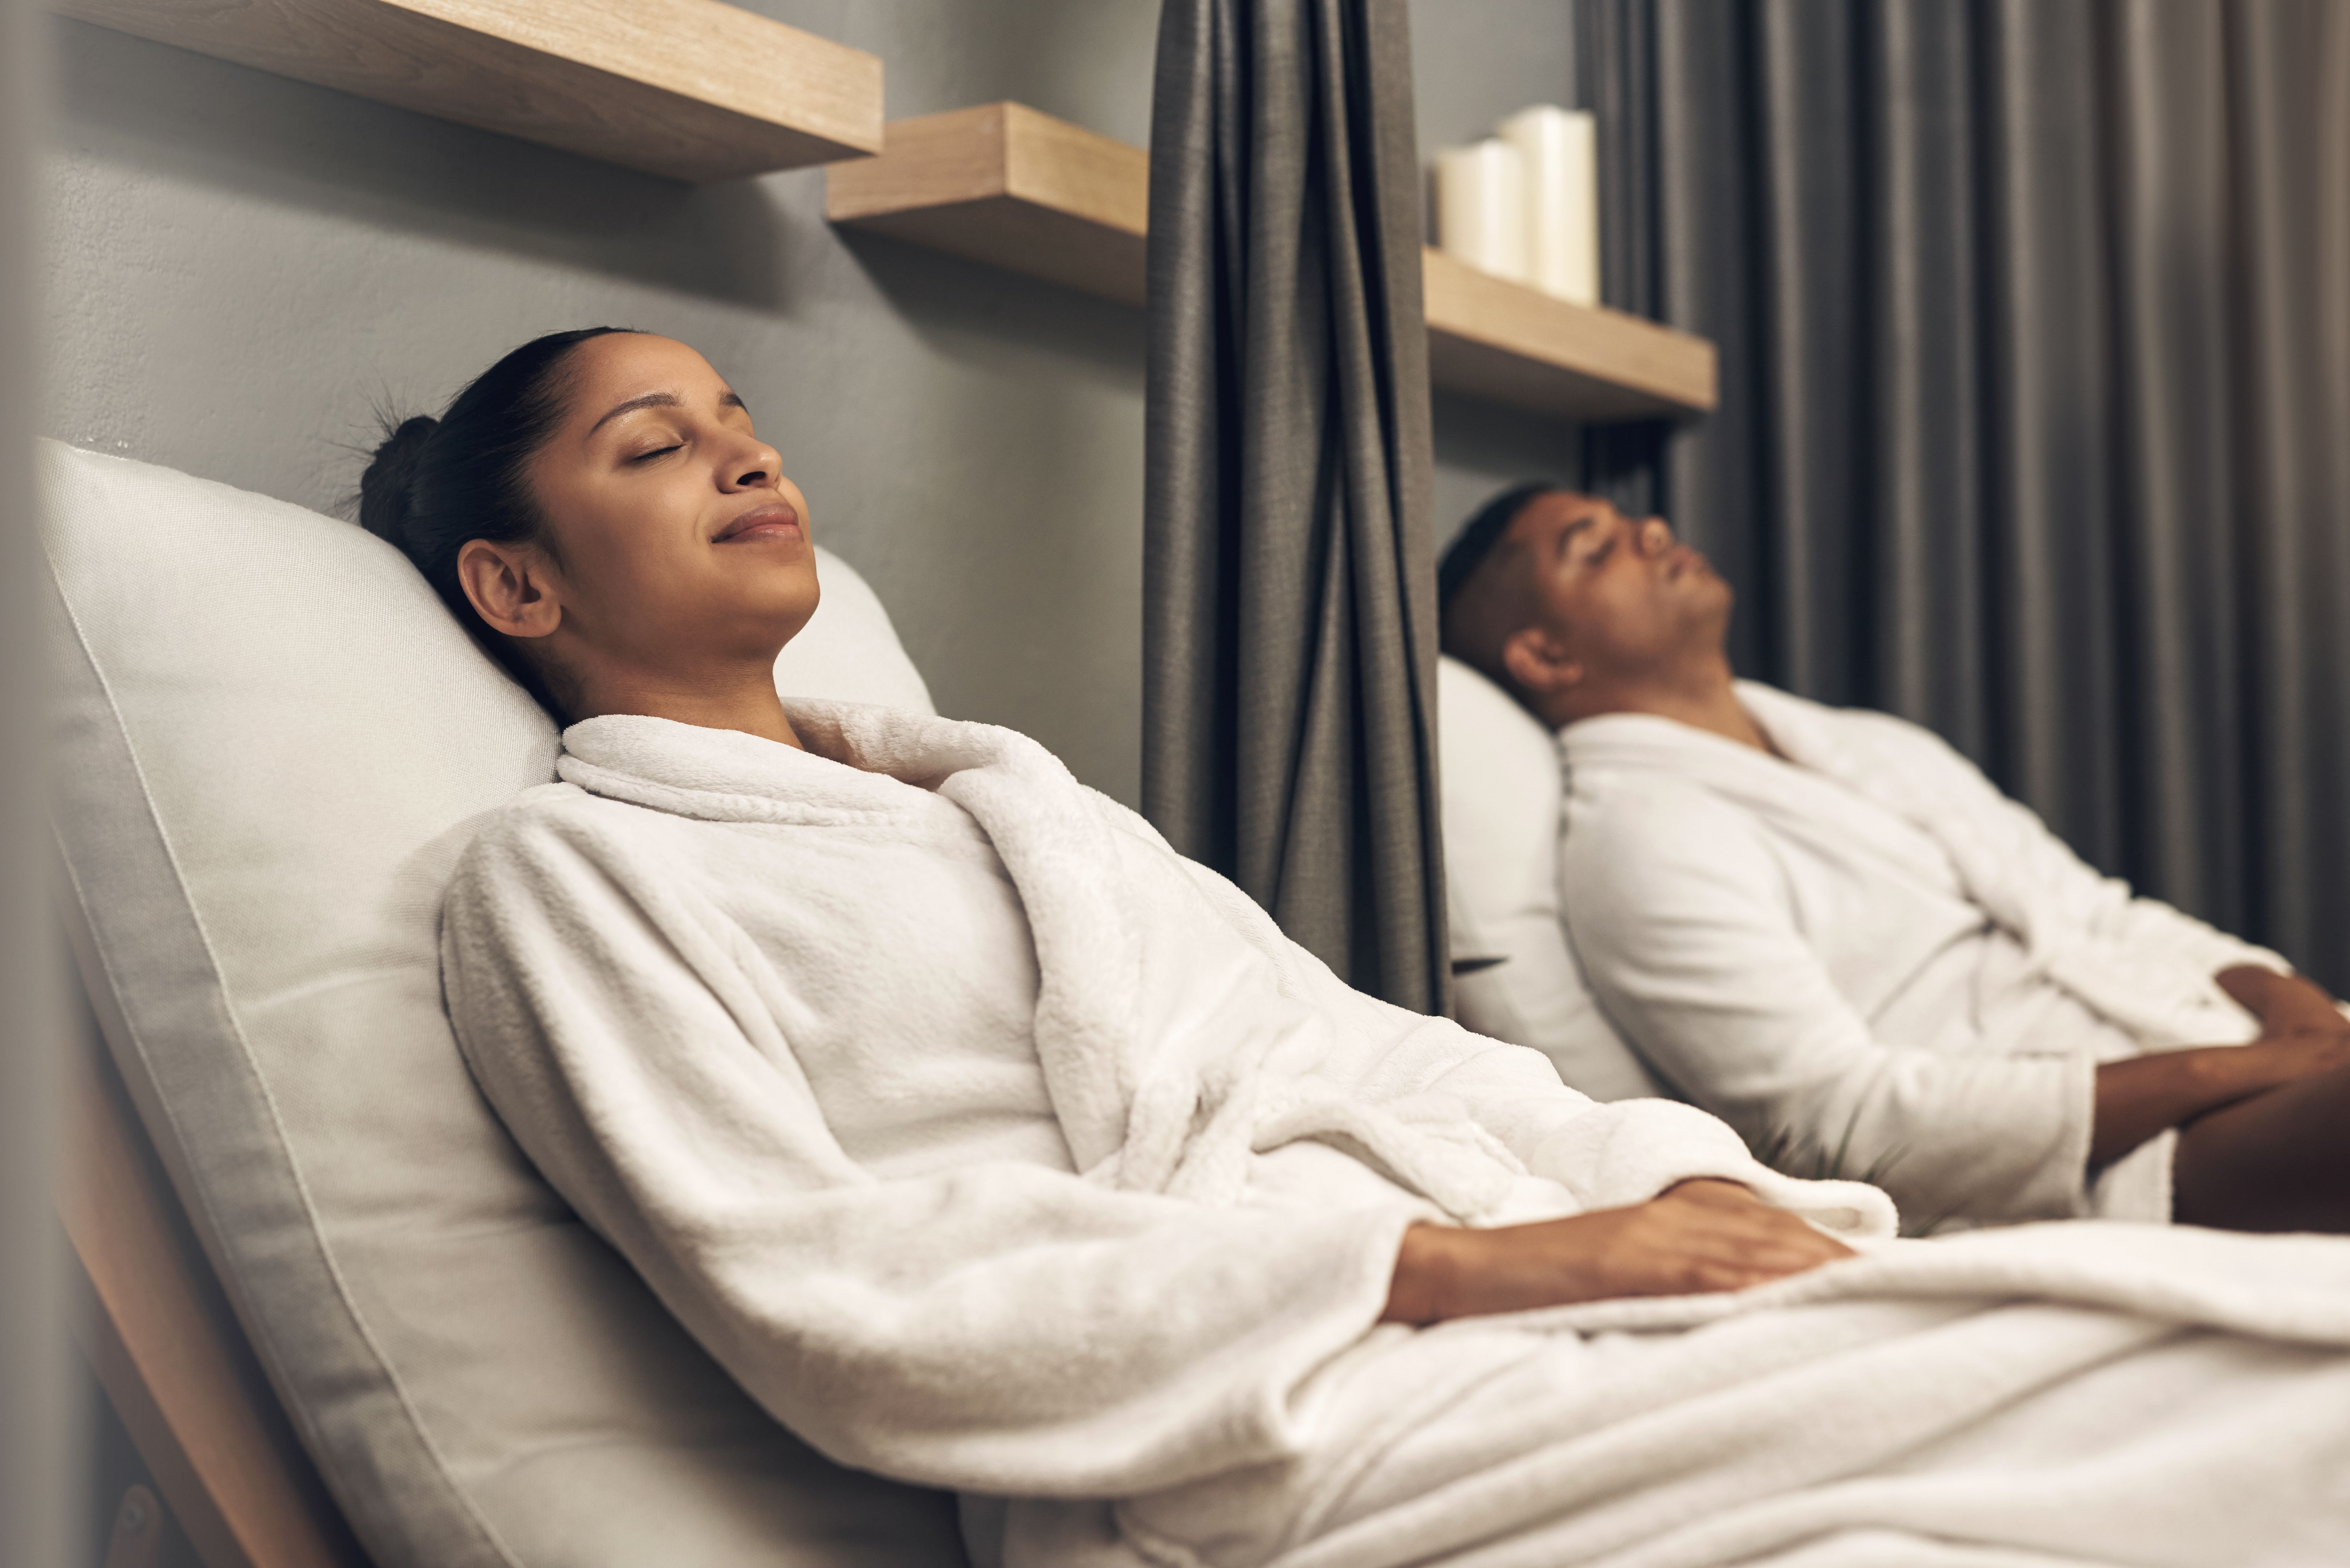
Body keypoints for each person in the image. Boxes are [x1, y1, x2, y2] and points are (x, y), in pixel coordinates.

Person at [369, 331, 2350, 1568]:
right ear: (512, 578)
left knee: (2171, 1383)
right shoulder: (564, 884)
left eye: (741, 417)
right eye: (654, 446)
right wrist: (1452, 1267)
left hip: (1506, 1315)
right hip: (1235, 1430)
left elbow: (1388, 1051)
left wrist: (1665, 1184)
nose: (742, 454)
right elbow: (829, 1289)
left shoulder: (1025, 817)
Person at [1438, 481, 2350, 1235]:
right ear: (1546, 655)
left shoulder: (1869, 746)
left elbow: (2099, 911)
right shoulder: (1640, 844)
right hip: (2125, 1156)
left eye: (1629, 524)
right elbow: (1850, 1121)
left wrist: (2293, 1009)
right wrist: (2249, 1070)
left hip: (2243, 1052)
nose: (1652, 531)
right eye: (1594, 550)